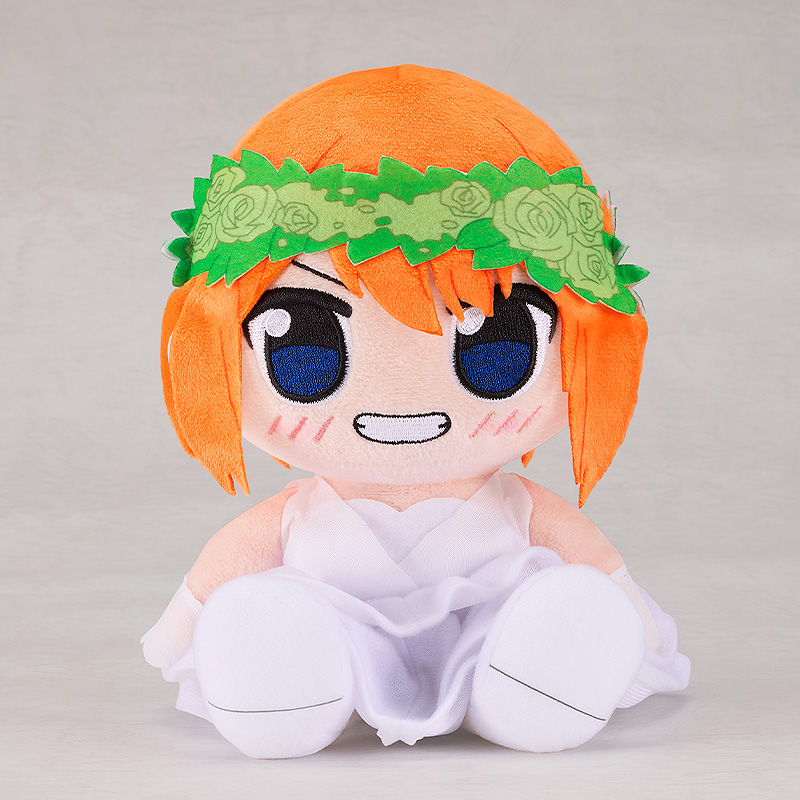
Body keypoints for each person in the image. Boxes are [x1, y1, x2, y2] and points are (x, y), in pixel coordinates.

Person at [142, 65, 690, 759]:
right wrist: (180, 632)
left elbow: (593, 559)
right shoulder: (296, 519)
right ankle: (287, 684)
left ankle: (533, 690)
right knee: (273, 613)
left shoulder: (518, 509)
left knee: (567, 602)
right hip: (330, 635)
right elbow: (230, 562)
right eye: (305, 345)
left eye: (499, 346)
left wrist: (630, 620)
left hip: (497, 634)